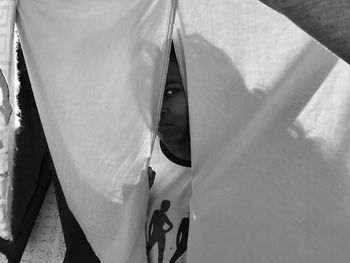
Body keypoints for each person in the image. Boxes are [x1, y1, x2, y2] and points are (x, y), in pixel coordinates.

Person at [146, 43, 191, 263]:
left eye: (171, 91)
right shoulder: (141, 164)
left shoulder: (224, 170)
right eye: (151, 94)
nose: (159, 107)